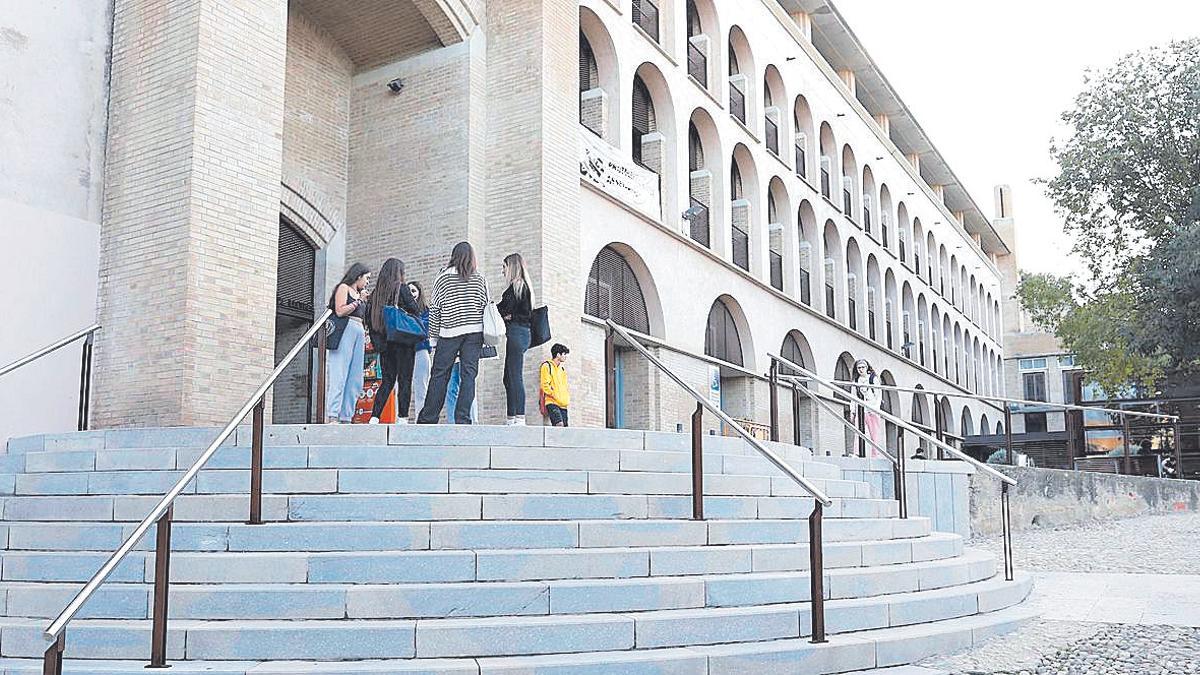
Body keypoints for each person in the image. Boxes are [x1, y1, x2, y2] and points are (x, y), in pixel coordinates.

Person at [417, 242, 488, 424]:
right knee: (469, 375)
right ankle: (463, 418)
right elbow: (484, 305)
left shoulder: (442, 278)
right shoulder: (479, 279)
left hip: (449, 332)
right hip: (474, 333)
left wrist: (432, 338)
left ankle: (428, 418)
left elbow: (435, 309)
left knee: (440, 374)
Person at [367, 258, 421, 424]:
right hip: (403, 341)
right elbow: (416, 310)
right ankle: (403, 418)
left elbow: (369, 319)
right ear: (399, 272)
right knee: (404, 379)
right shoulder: (401, 288)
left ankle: (374, 417)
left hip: (385, 343)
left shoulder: (376, 293)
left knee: (387, 381)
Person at [325, 263, 371, 424]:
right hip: (345, 328)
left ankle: (347, 416)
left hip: (359, 330)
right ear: (358, 276)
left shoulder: (360, 294)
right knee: (339, 372)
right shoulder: (343, 288)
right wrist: (358, 301)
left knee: (355, 377)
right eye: (366, 278)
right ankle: (333, 414)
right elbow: (340, 310)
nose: (367, 282)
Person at [497, 253, 535, 425]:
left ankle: (519, 417)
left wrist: (506, 315)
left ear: (511, 267)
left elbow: (506, 310)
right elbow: (508, 312)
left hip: (518, 334)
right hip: (519, 334)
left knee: (515, 375)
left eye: (504, 267)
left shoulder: (517, 287)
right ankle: (512, 417)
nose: (502, 271)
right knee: (508, 377)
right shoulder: (521, 287)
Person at [850, 358, 884, 458]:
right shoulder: (856, 381)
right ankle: (856, 452)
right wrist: (852, 410)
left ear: (867, 367)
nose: (861, 370)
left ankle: (875, 454)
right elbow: (853, 397)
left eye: (863, 367)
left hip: (872, 409)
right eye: (859, 368)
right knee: (858, 432)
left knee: (874, 433)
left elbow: (878, 395)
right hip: (860, 409)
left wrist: (875, 408)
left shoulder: (873, 379)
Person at [408, 281, 432, 416]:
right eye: (409, 291)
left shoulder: (425, 311)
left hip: (421, 351)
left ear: (419, 293)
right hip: (405, 353)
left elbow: (424, 329)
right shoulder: (402, 311)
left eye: (414, 291)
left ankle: (420, 419)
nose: (411, 294)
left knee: (421, 388)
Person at [540, 343, 571, 427]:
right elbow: (544, 384)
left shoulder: (562, 369)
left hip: (563, 404)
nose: (565, 356)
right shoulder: (546, 366)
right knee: (559, 424)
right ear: (558, 354)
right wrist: (554, 394)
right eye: (564, 354)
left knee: (564, 429)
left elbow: (565, 386)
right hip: (552, 401)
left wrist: (566, 398)